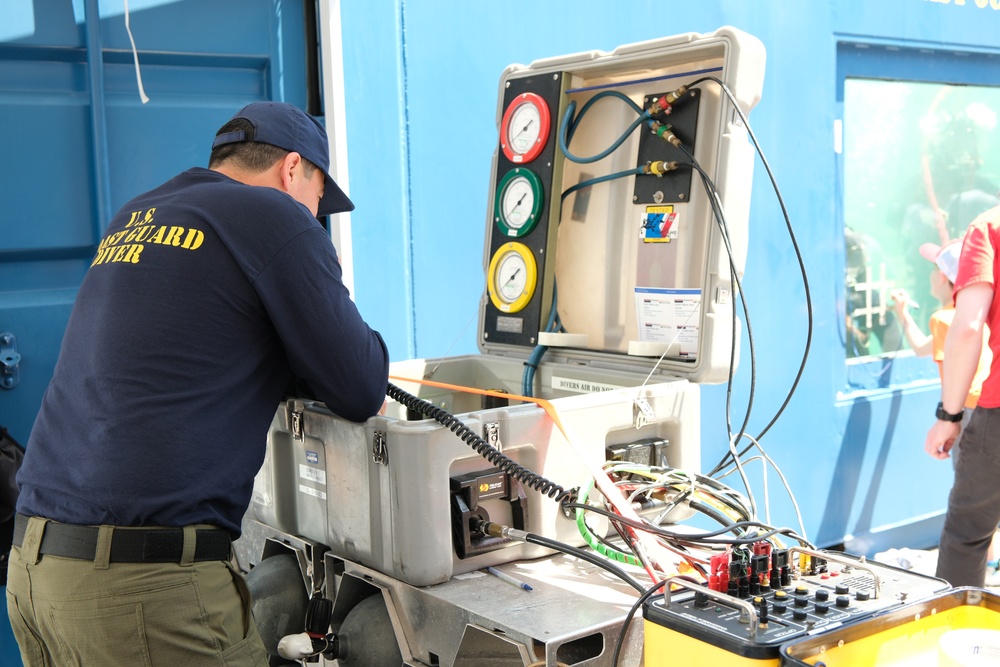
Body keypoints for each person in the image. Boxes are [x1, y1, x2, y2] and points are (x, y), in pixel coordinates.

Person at [5, 101, 390, 666]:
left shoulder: (139, 214)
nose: (316, 216)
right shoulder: (276, 217)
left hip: (36, 574)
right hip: (143, 592)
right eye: (318, 198)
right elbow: (359, 382)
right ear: (291, 170)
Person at [925, 204, 1000, 588]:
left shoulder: (989, 226)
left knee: (967, 536)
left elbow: (968, 327)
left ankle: (959, 640)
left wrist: (948, 415)